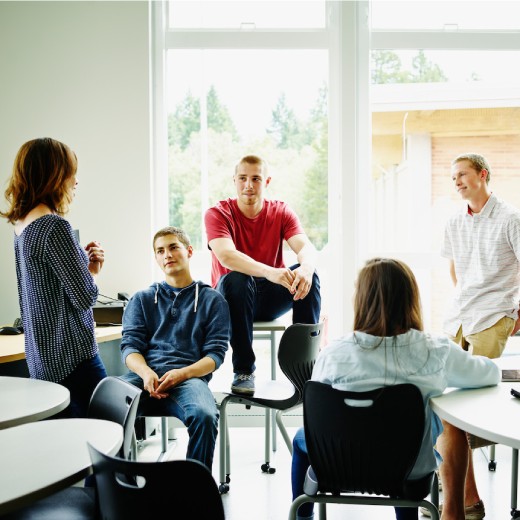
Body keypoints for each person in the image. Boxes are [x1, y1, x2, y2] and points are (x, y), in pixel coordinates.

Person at [290, 258, 499, 520]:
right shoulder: (435, 351)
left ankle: (303, 516)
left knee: (301, 440)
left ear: (361, 301)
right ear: (411, 299)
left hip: (336, 468)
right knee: (400, 444)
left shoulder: (333, 353)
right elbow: (490, 374)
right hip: (407, 470)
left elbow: (319, 417)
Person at [435, 153, 520, 520]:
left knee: (474, 407)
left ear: (483, 175)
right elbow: (456, 272)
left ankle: (462, 503)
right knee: (442, 403)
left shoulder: (511, 219)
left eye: (463, 175)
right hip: (458, 317)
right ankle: (466, 498)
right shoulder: (454, 222)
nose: (457, 182)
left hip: (494, 315)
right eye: (453, 177)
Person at [0, 137, 107, 418]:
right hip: (73, 356)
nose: (75, 181)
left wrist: (79, 263)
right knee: (109, 435)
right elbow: (85, 296)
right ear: (55, 175)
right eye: (71, 172)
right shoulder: (53, 226)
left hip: (43, 357)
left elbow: (44, 286)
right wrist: (93, 272)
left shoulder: (22, 226)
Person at [204, 154, 321, 395]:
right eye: (243, 178)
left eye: (255, 179)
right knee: (237, 277)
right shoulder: (218, 213)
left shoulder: (281, 211)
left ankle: (304, 368)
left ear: (266, 182)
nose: (249, 185)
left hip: (268, 298)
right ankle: (244, 371)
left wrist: (307, 269)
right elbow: (227, 256)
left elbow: (305, 248)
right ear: (234, 180)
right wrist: (271, 272)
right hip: (230, 299)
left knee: (309, 275)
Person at [120, 226, 230, 471]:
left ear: (189, 251)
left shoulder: (213, 300)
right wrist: (146, 373)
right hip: (145, 379)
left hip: (189, 380)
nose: (166, 254)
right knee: (106, 402)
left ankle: (195, 492)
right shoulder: (142, 299)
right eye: (160, 251)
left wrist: (183, 373)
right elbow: (130, 348)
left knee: (204, 415)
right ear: (156, 258)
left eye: (173, 247)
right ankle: (112, 488)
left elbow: (215, 355)